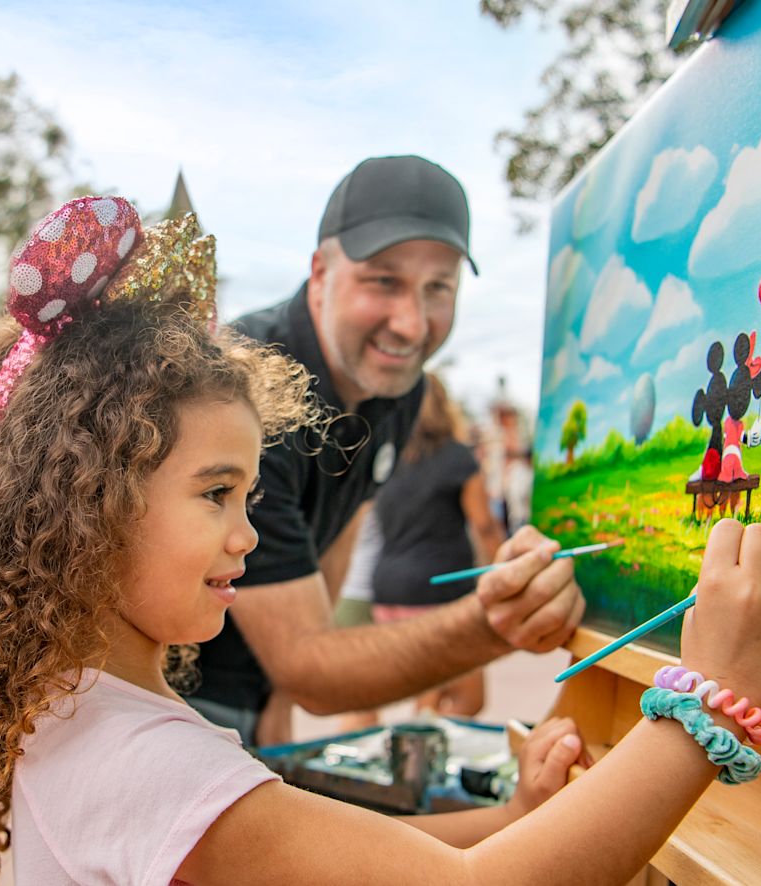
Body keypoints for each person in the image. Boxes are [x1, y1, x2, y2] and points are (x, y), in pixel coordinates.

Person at [0, 197, 761, 885]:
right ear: (92, 504)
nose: (248, 534)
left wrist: (518, 818)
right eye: (215, 494)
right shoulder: (140, 759)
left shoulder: (56, 709)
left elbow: (350, 860)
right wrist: (712, 698)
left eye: (248, 494)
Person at [190, 155, 585, 746]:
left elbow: (338, 535)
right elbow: (310, 670)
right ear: (320, 272)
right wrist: (496, 621)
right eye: (384, 281)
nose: (411, 324)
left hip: (250, 694)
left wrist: (275, 702)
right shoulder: (245, 392)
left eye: (438, 288)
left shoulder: (399, 388)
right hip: (168, 696)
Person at [364, 372, 506, 721]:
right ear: (445, 405)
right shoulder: (458, 459)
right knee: (464, 696)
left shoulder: (389, 459)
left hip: (388, 590)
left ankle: (419, 745)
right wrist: (504, 570)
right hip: (438, 590)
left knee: (435, 687)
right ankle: (418, 755)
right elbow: (484, 524)